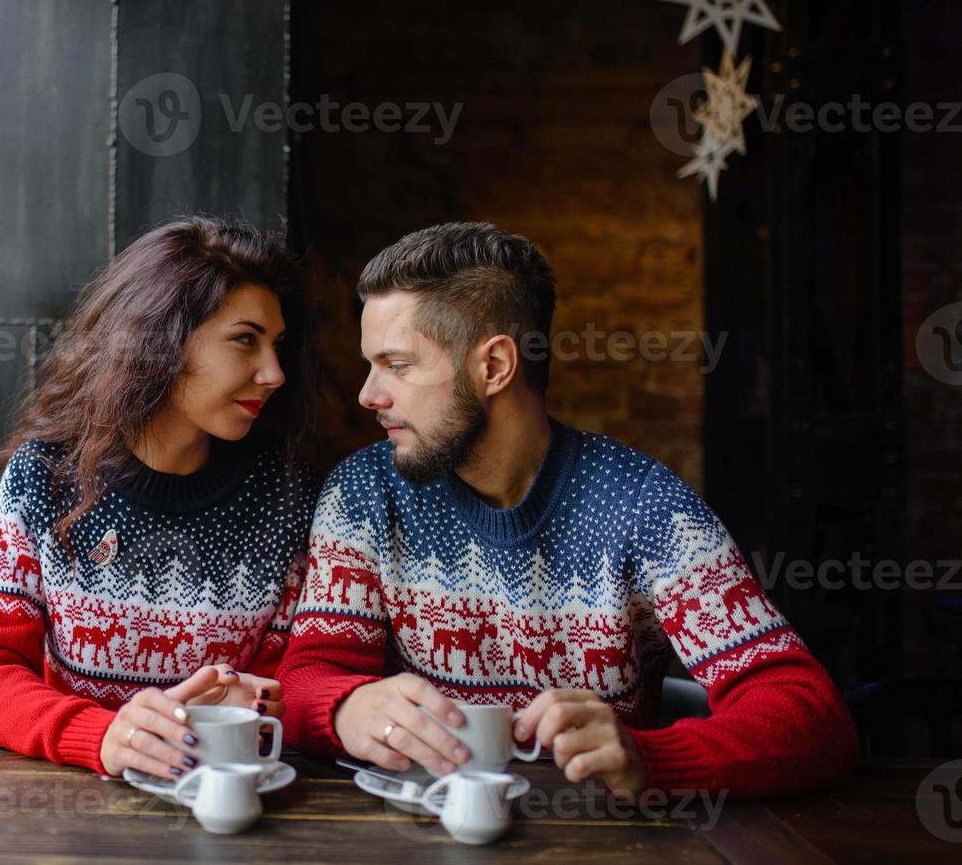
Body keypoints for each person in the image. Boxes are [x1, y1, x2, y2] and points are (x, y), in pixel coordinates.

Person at [278, 221, 855, 799]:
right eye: (370, 364)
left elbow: (809, 716)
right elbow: (307, 676)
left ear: (495, 367)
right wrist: (345, 706)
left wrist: (652, 758)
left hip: (604, 838)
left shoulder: (644, 505)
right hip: (416, 830)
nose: (368, 395)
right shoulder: (363, 492)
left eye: (397, 365)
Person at [0, 218, 319, 780]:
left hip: (221, 799)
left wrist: (256, 702)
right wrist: (102, 737)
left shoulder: (286, 495)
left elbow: (286, 681)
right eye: (246, 340)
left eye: (278, 346)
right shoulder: (45, 474)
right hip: (69, 799)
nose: (273, 373)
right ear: (162, 338)